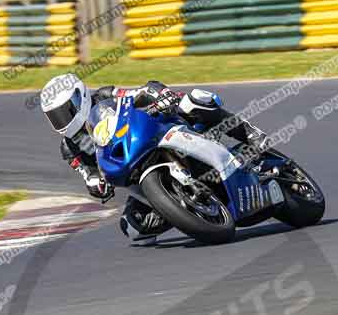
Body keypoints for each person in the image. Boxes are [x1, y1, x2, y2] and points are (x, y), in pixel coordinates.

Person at [40, 73, 267, 244]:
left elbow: (139, 92)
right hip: (135, 172)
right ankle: (183, 208)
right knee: (132, 228)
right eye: (54, 117)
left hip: (155, 129)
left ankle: (247, 132)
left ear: (80, 98)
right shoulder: (70, 148)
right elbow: (87, 174)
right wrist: (95, 183)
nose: (61, 121)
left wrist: (161, 95)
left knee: (193, 100)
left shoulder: (105, 95)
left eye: (64, 112)